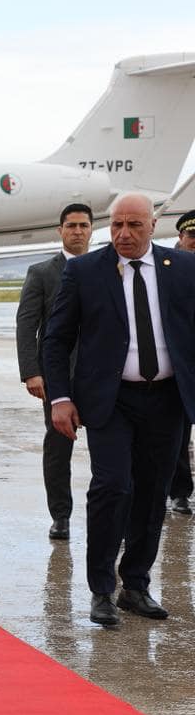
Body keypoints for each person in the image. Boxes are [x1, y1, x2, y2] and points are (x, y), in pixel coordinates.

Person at [42, 192, 195, 626]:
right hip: (110, 400)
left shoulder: (183, 269)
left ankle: (136, 584)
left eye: (134, 226)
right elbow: (56, 340)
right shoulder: (85, 271)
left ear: (153, 225)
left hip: (167, 401)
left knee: (152, 492)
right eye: (117, 226)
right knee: (112, 487)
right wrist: (61, 397)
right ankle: (102, 590)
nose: (124, 234)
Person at [15, 203, 94, 540]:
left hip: (101, 374)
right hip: (58, 376)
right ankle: (60, 515)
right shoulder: (42, 272)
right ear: (60, 230)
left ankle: (111, 513)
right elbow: (26, 323)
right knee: (58, 447)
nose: (77, 231)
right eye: (71, 225)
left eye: (83, 226)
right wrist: (31, 372)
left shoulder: (108, 268)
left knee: (112, 446)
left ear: (92, 230)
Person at [167, 208, 195, 515]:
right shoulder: (168, 270)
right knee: (178, 434)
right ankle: (180, 492)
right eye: (192, 236)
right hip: (183, 364)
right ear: (181, 237)